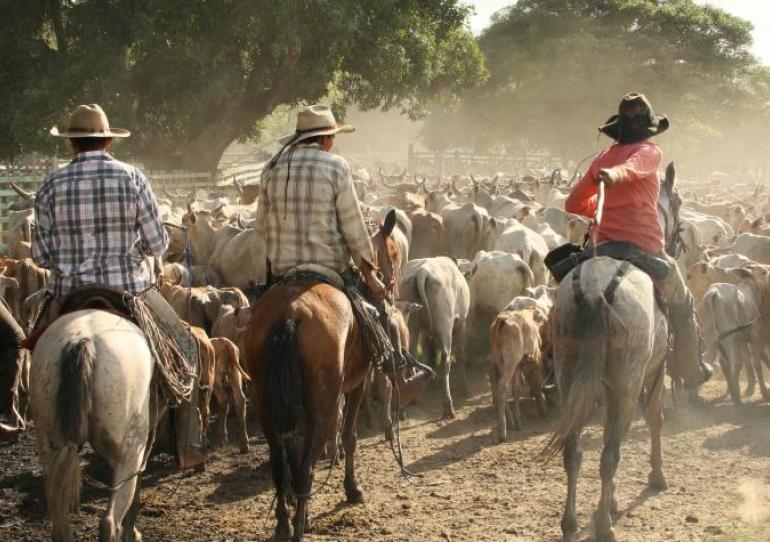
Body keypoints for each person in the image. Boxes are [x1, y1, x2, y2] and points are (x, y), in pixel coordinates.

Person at [30, 103, 205, 467]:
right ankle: (188, 446)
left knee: (30, 347)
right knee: (187, 348)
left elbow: (41, 255)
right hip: (128, 291)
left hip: (69, 293)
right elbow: (158, 244)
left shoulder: (51, 183)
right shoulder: (132, 177)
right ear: (108, 142)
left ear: (72, 144)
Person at [565, 92, 712, 391]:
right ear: (648, 126)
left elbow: (573, 203)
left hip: (601, 248)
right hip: (642, 247)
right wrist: (617, 176)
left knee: (565, 286)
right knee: (682, 301)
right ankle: (691, 367)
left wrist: (605, 196)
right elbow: (635, 167)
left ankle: (556, 371)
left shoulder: (602, 158)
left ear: (617, 128)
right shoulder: (650, 151)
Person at [255, 104, 386, 299]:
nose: (332, 142)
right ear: (324, 137)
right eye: (332, 137)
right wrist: (369, 275)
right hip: (331, 270)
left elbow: (260, 227)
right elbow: (352, 226)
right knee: (378, 316)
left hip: (282, 273)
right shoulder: (336, 166)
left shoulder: (271, 167)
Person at [0, 301, 24, 443]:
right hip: (13, 343)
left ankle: (5, 430)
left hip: (10, 346)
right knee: (6, 395)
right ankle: (13, 419)